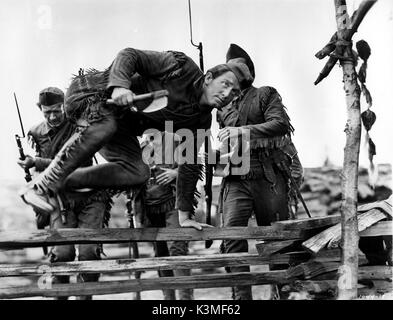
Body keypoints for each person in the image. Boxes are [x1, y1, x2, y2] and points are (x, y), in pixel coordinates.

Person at [20, 48, 253, 231]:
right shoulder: (180, 66)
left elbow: (189, 166)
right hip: (91, 95)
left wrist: (184, 216)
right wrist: (120, 87)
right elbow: (129, 54)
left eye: (234, 93)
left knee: (138, 172)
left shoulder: (199, 121)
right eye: (226, 84)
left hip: (119, 126)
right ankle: (41, 186)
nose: (227, 94)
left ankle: (55, 184)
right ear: (209, 77)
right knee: (106, 123)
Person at [215, 44, 304, 300]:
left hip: (268, 177)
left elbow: (280, 124)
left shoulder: (265, 94)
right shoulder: (222, 108)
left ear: (249, 73)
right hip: (235, 178)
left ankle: (280, 295)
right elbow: (223, 144)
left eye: (238, 68)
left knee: (276, 239)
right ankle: (241, 300)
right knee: (232, 238)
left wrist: (243, 132)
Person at [18, 87, 111, 300]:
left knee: (88, 253)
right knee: (62, 253)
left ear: (65, 106)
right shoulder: (36, 133)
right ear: (39, 109)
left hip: (90, 196)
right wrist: (30, 167)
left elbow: (71, 162)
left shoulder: (82, 126)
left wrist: (38, 162)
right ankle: (60, 296)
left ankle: (84, 298)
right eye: (47, 112)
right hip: (61, 200)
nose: (53, 116)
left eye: (57, 111)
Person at [133, 132, 193, 300]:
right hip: (150, 206)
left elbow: (194, 164)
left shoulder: (175, 139)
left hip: (174, 202)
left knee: (177, 249)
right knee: (160, 254)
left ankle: (185, 299)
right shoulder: (138, 146)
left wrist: (176, 173)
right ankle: (168, 300)